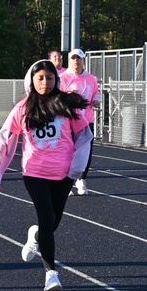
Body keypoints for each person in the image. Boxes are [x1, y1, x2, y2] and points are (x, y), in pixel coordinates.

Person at [0, 59, 92, 291]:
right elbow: (5, 139)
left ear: (57, 80)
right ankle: (51, 274)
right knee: (46, 217)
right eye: (40, 78)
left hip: (64, 174)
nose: (45, 82)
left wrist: (76, 169)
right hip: (34, 173)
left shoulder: (67, 105)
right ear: (32, 81)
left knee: (53, 221)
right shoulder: (23, 108)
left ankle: (35, 236)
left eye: (50, 78)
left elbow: (85, 137)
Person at [59, 48, 100, 196]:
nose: (76, 61)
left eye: (79, 58)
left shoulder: (91, 78)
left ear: (83, 60)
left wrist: (96, 100)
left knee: (86, 152)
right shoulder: (63, 78)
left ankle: (81, 179)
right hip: (68, 121)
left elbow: (96, 92)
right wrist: (68, 96)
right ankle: (66, 182)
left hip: (87, 120)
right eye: (73, 58)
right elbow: (57, 97)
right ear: (69, 60)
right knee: (68, 151)